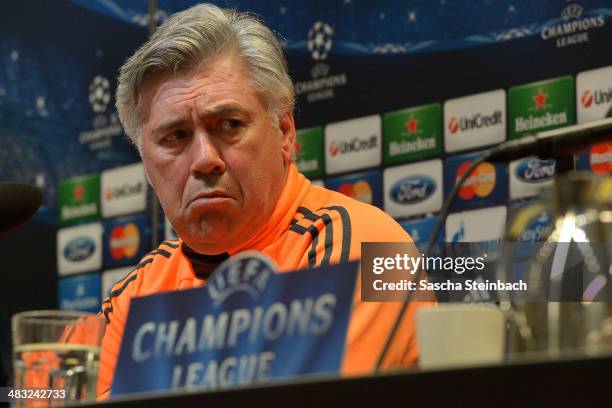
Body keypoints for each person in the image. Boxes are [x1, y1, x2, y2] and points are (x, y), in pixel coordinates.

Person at [98, 3, 434, 399]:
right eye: (175, 137)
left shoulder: (366, 244)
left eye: (228, 125)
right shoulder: (133, 297)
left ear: (285, 133)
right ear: (146, 164)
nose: (204, 159)